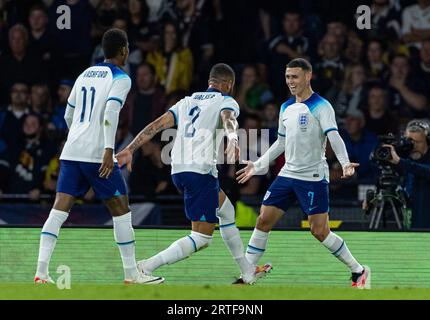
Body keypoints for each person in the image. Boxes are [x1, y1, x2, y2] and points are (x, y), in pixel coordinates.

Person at [116, 63, 271, 284]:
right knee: (202, 237)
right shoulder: (226, 101)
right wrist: (234, 138)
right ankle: (144, 266)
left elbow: (157, 125)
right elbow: (229, 118)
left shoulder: (186, 102)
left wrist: (130, 148)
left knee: (226, 211)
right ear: (229, 84)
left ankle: (247, 271)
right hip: (200, 173)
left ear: (210, 81)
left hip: (179, 170)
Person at [34, 28, 164, 285]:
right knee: (122, 210)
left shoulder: (84, 74)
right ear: (124, 49)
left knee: (59, 209)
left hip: (71, 151)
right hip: (97, 154)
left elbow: (68, 115)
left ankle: (41, 272)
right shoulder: (122, 78)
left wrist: (79, 138)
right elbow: (111, 111)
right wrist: (107, 149)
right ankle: (131, 274)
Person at [236, 58, 371, 288]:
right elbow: (280, 142)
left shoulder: (322, 105)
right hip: (287, 174)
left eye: (295, 76)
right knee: (263, 220)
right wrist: (258, 166)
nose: (290, 81)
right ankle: (247, 274)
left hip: (313, 177)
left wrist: (345, 163)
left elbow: (334, 136)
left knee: (319, 231)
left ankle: (359, 271)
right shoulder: (285, 107)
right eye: (288, 77)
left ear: (308, 77)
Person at [383, 119, 430, 229]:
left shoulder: (402, 161)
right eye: (410, 141)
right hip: (408, 217)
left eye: (418, 142)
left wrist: (400, 162)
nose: (413, 145)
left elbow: (425, 171)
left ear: (427, 141)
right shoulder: (403, 155)